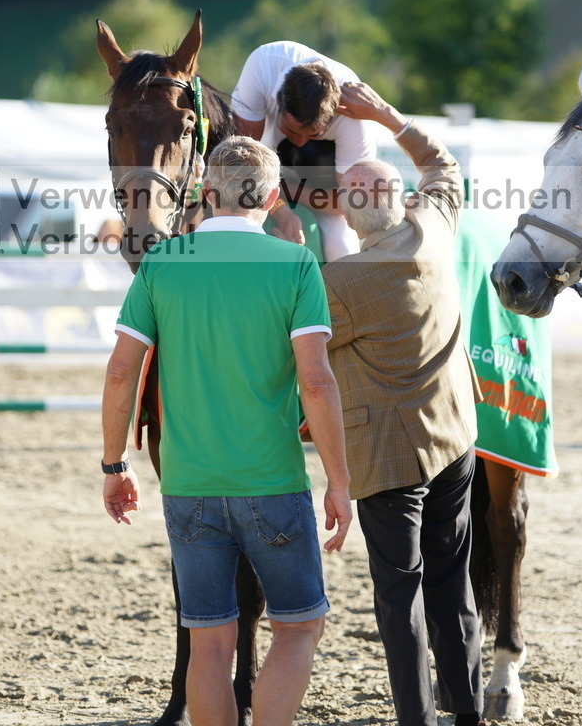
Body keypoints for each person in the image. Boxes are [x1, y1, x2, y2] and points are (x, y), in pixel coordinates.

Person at [101, 135, 352, 726]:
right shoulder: (295, 264)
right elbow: (316, 383)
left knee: (209, 642)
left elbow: (121, 370)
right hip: (272, 481)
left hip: (188, 485)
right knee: (299, 625)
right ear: (270, 197)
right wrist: (339, 481)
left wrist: (115, 465)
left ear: (207, 193)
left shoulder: (163, 263)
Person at [322, 82, 486, 726]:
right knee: (455, 584)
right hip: (455, 437)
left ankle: (416, 719)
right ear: (399, 199)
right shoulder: (436, 227)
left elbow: (301, 355)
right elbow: (443, 165)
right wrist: (386, 116)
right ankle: (468, 711)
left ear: (348, 211)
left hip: (388, 461)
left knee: (400, 598)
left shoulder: (339, 282)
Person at [231, 40, 377, 260]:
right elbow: (238, 159)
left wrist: (285, 190)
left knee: (343, 250)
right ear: (277, 101)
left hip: (323, 182)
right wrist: (280, 210)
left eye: (313, 135)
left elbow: (351, 202)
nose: (300, 142)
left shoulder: (351, 113)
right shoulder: (263, 65)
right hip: (258, 160)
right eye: (291, 130)